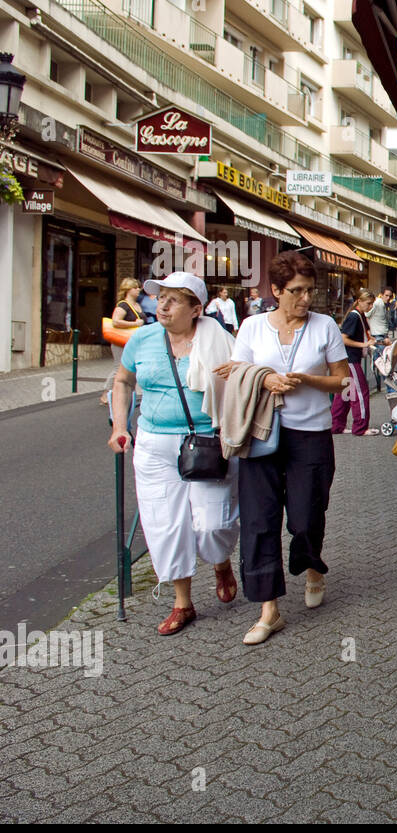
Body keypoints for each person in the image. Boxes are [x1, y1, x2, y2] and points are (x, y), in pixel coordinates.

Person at [218, 252, 349, 645]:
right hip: (261, 433)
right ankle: (268, 609)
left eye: (310, 290)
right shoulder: (253, 327)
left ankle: (312, 567)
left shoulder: (324, 326)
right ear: (275, 291)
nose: (306, 298)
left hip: (311, 433)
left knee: (308, 515)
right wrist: (267, 381)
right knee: (259, 519)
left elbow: (342, 380)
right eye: (296, 291)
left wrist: (309, 380)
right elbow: (236, 372)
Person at [108, 273, 238, 635]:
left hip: (207, 442)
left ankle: (220, 560)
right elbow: (123, 381)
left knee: (213, 523)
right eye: (160, 297)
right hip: (154, 444)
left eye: (174, 300)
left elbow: (241, 388)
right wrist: (120, 426)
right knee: (166, 524)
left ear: (197, 309)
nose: (162, 305)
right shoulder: (143, 339)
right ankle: (183, 603)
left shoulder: (221, 342)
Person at [333, 290, 378, 435]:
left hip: (346, 359)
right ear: (359, 301)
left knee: (345, 393)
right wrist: (363, 345)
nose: (370, 306)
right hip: (351, 359)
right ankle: (360, 427)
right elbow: (343, 338)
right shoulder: (355, 316)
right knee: (360, 392)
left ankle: (337, 425)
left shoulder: (356, 315)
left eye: (372, 304)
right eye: (368, 303)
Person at [102, 277, 145, 405]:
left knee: (132, 368)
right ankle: (105, 394)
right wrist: (134, 323)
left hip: (133, 341)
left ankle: (127, 393)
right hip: (120, 341)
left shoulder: (137, 305)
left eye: (138, 287)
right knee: (119, 367)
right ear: (128, 290)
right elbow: (116, 321)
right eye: (135, 287)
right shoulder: (123, 305)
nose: (138, 290)